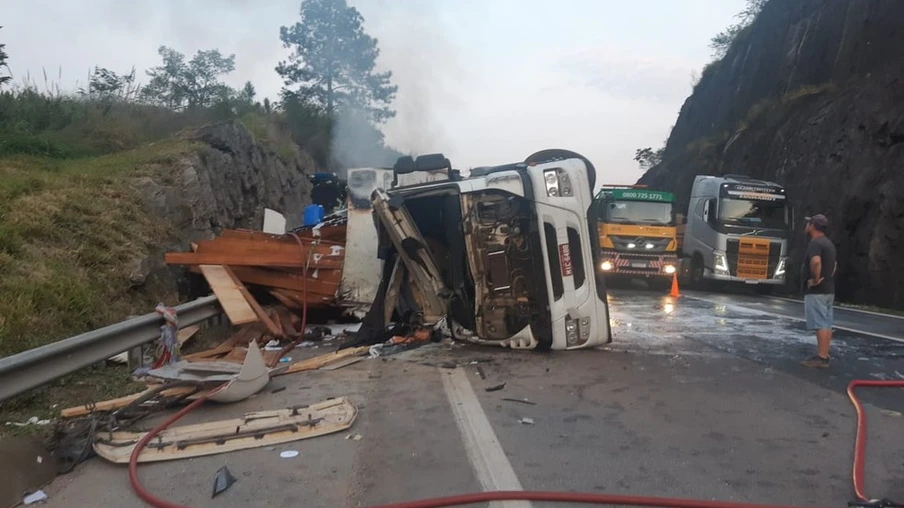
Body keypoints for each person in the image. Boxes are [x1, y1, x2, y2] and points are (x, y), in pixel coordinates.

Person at [800, 214, 837, 368]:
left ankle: (821, 357)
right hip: (828, 289)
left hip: (817, 291)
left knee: (820, 323)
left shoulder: (815, 243)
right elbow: (834, 265)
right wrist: (827, 277)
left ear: (813, 226)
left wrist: (815, 280)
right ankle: (825, 354)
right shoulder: (828, 243)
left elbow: (816, 261)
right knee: (826, 323)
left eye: (808, 223)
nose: (806, 226)